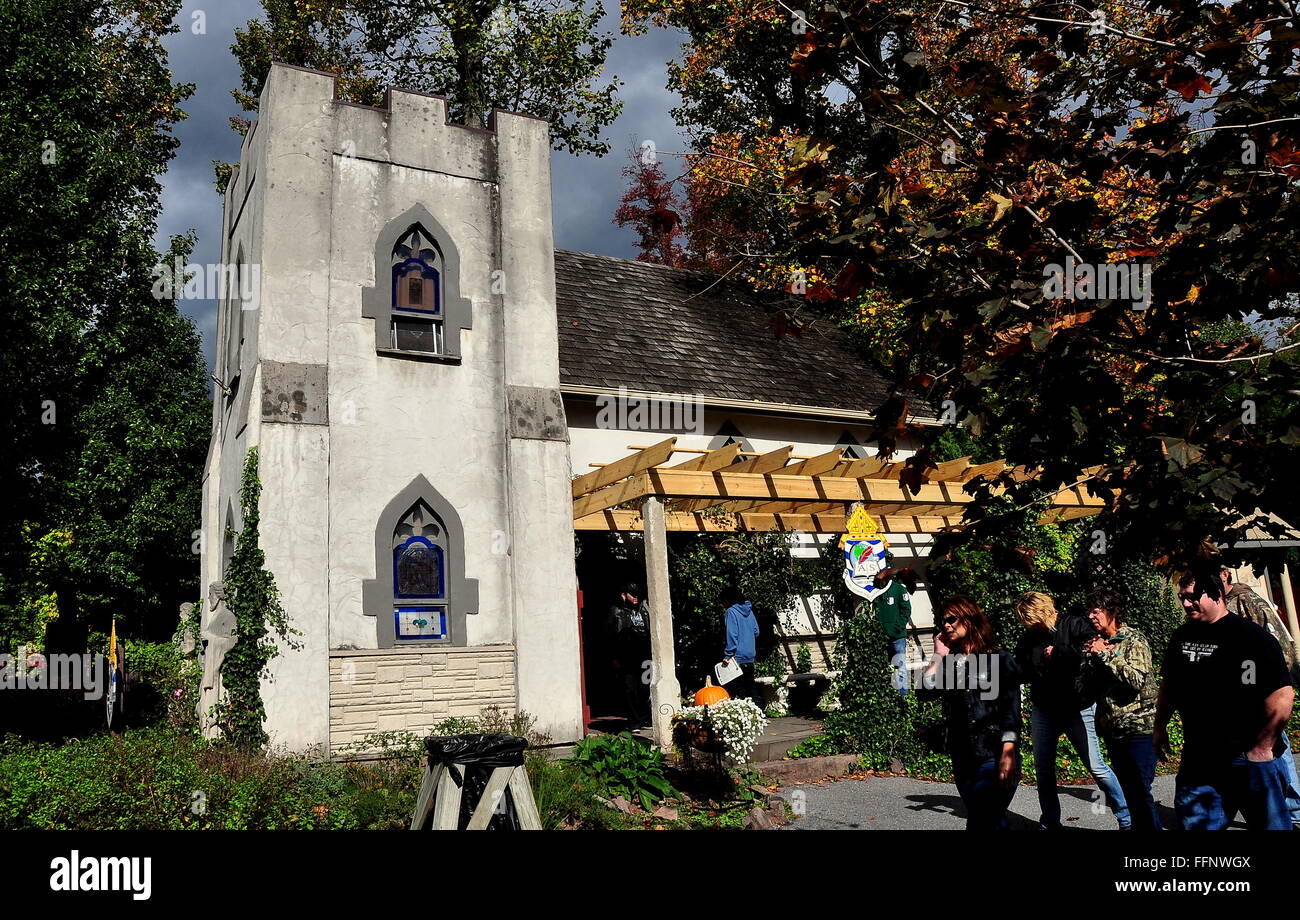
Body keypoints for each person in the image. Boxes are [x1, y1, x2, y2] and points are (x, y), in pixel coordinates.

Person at [1156, 561, 1295, 830]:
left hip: (1247, 755)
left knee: (1271, 826)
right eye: (1182, 598)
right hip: (1200, 757)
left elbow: (1281, 693)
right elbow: (1170, 685)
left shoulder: (1251, 637)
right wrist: (1160, 727)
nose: (1186, 604)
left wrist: (1263, 746)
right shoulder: (1182, 637)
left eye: (1193, 597)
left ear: (1217, 595)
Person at [1013, 591, 1131, 829]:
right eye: (1027, 622)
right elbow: (1021, 668)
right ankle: (1050, 821)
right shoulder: (1029, 638)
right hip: (1044, 709)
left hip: (1077, 707)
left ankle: (1127, 816)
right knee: (1043, 768)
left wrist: (1058, 653)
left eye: (1033, 620)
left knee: (1095, 766)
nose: (1031, 626)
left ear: (1044, 612)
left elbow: (1090, 650)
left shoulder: (1074, 625)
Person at [919, 595, 1021, 830]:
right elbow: (924, 693)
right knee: (985, 818)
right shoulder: (949, 662)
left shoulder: (999, 659)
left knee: (983, 819)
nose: (946, 625)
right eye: (943, 621)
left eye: (952, 619)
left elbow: (1011, 710)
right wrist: (937, 656)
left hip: (993, 754)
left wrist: (1008, 751)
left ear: (969, 619)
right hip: (962, 756)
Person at [1219, 566, 1300, 828]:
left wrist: (1277, 685)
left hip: (1262, 693)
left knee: (1277, 748)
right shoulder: (1213, 605)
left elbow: (1280, 643)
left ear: (1225, 574)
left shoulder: (1249, 601)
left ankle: (1294, 810)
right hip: (1234, 698)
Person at [1076, 588, 1163, 830]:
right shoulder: (1096, 644)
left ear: (1112, 611)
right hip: (1113, 730)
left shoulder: (1133, 640)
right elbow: (1083, 689)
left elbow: (1136, 679)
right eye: (1089, 612)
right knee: (1131, 791)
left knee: (1139, 790)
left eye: (1096, 611)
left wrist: (1105, 655)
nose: (1091, 617)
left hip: (1139, 727)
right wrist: (1089, 661)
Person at [607, 582, 651, 727]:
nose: (635, 597)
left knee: (645, 688)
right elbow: (611, 636)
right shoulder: (617, 611)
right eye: (632, 594)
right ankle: (634, 720)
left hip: (644, 655)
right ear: (623, 595)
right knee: (629, 689)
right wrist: (614, 657)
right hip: (627, 657)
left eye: (637, 594)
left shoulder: (644, 609)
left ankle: (645, 717)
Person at [873, 565, 916, 695]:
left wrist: (898, 627)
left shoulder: (899, 590)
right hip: (881, 637)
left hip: (897, 638)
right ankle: (888, 696)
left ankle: (903, 697)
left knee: (900, 667)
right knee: (883, 667)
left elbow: (906, 610)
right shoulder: (876, 592)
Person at [721, 586, 760, 705]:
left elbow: (732, 635)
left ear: (728, 600)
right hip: (750, 653)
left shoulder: (731, 612)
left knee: (739, 690)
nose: (723, 605)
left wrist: (728, 655)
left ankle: (745, 717)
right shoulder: (749, 611)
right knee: (751, 686)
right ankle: (758, 712)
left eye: (723, 601)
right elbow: (756, 631)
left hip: (737, 656)